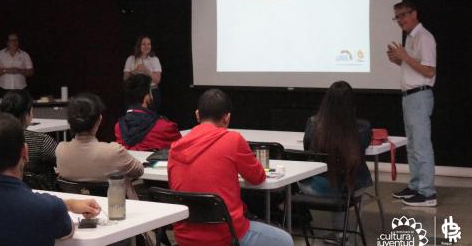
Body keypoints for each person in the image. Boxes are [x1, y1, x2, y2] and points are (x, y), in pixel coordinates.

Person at [0, 113, 101, 245]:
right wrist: (63, 206)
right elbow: (66, 233)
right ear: (25, 152)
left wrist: (67, 204)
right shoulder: (47, 209)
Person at [168, 89, 293, 246]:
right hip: (226, 234)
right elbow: (257, 177)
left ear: (197, 115)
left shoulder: (175, 148)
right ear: (227, 118)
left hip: (184, 235)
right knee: (285, 240)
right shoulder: (233, 140)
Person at [300, 80, 373, 244]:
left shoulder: (313, 124)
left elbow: (307, 150)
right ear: (352, 103)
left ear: (326, 101)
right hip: (350, 188)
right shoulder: (363, 128)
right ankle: (342, 235)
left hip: (315, 188)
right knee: (343, 176)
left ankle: (295, 226)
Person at [387, 0, 437, 207]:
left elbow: (429, 71)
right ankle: (416, 186)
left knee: (421, 145)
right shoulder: (410, 38)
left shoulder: (424, 38)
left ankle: (427, 193)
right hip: (410, 96)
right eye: (397, 17)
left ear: (414, 13)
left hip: (419, 96)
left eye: (403, 15)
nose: (400, 20)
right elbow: (415, 66)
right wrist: (400, 60)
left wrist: (405, 57)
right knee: (413, 146)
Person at [56, 93, 144, 198]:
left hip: (79, 211)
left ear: (70, 122)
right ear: (99, 120)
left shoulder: (61, 150)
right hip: (116, 210)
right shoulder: (114, 151)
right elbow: (139, 170)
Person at [0, 89, 58, 190]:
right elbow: (62, 161)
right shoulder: (41, 141)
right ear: (27, 113)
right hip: (42, 194)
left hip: (4, 190)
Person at [115, 74, 181, 151]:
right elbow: (181, 147)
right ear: (146, 98)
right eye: (151, 93)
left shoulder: (118, 127)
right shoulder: (165, 126)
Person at [123, 35, 162, 110]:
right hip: (133, 93)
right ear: (139, 46)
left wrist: (147, 71)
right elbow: (125, 79)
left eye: (149, 44)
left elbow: (157, 80)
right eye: (143, 44)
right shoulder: (131, 59)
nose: (146, 46)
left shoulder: (155, 59)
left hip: (151, 92)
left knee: (150, 118)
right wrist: (135, 71)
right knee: (133, 118)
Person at [0, 32, 34, 98]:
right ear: (7, 42)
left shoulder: (25, 55)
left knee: (21, 108)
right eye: (12, 40)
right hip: (4, 89)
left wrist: (19, 71)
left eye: (16, 40)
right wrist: (7, 70)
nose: (14, 42)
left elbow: (31, 72)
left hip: (21, 89)